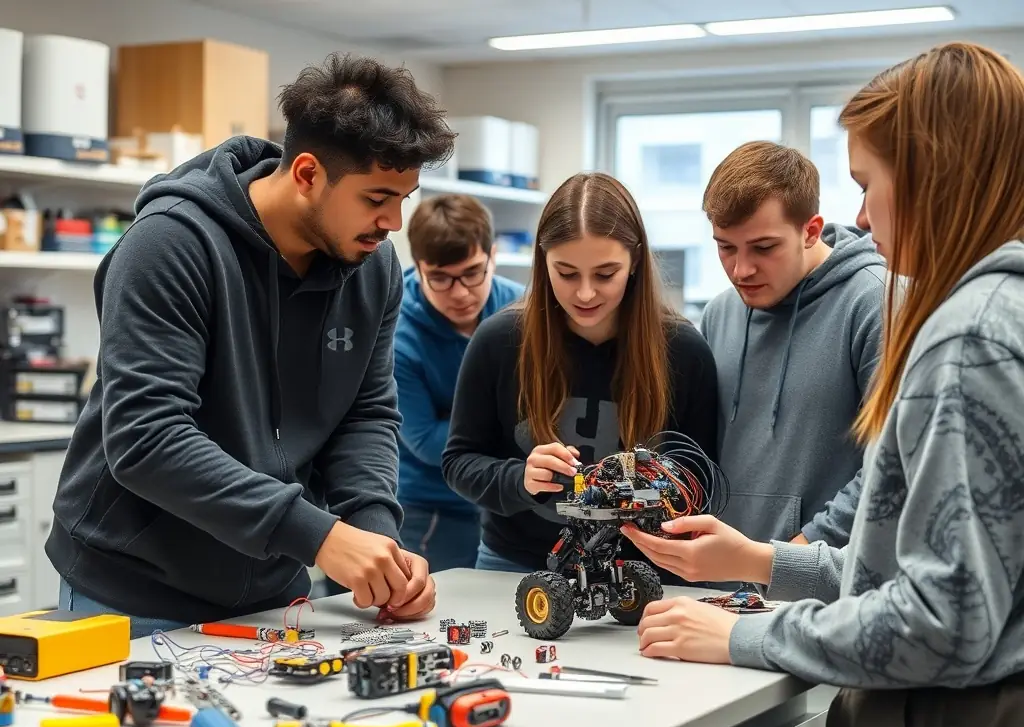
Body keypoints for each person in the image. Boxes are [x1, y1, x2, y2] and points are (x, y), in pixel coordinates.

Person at [624, 42, 1024, 727]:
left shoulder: (969, 336)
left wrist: (749, 635)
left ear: (935, 176)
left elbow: (942, 619)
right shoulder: (1003, 314)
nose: (863, 217)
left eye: (870, 184)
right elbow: (913, 565)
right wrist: (761, 560)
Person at [45, 53, 457, 638]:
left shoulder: (373, 267)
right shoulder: (169, 245)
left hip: (272, 593)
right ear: (308, 174)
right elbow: (146, 438)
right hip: (132, 594)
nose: (393, 222)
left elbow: (363, 415)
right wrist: (321, 536)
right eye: (375, 198)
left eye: (404, 198)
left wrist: (374, 538)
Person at [441, 171, 720, 578]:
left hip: (643, 571)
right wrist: (521, 479)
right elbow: (459, 461)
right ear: (543, 260)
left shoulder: (683, 350)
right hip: (515, 566)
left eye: (605, 274)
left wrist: (646, 490)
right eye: (566, 274)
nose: (585, 293)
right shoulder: (499, 340)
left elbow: (699, 474)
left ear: (635, 260)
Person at [694, 141, 885, 549]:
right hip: (718, 588)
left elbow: (890, 465)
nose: (741, 270)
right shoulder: (718, 315)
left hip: (820, 589)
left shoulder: (874, 304)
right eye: (725, 247)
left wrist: (794, 555)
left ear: (810, 231)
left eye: (764, 248)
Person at [393, 193, 524, 571]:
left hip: (509, 500)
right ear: (418, 268)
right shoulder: (398, 334)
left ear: (492, 255)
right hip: (432, 508)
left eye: (472, 272)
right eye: (440, 278)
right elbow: (424, 441)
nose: (461, 293)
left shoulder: (523, 312)